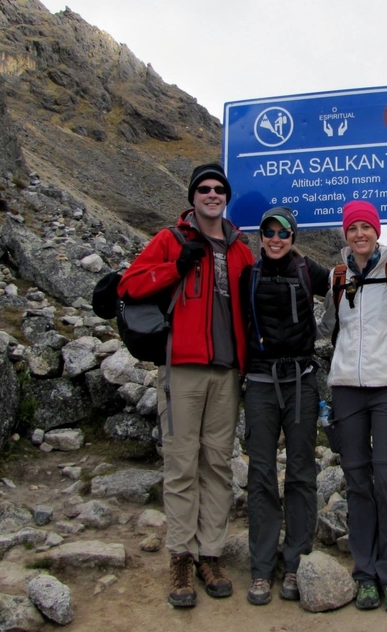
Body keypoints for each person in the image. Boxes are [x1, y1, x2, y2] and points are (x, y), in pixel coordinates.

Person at [118, 162, 253, 609]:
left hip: (227, 371)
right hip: (182, 368)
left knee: (217, 465)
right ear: (193, 196)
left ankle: (210, 554)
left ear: (225, 196)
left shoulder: (241, 249)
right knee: (181, 466)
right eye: (204, 189)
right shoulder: (170, 240)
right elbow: (130, 284)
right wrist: (176, 267)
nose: (212, 195)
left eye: (219, 189)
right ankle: (181, 556)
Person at [317, 200, 387, 613]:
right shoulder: (337, 277)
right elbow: (327, 325)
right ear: (345, 235)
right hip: (346, 387)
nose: (359, 234)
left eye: (366, 226)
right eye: (352, 228)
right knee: (358, 482)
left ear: (377, 231)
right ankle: (365, 574)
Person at [240, 206, 330, 605]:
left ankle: (295, 561)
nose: (276, 239)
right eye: (269, 232)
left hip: (301, 381)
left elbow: (352, 288)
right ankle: (261, 568)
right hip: (259, 381)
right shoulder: (248, 275)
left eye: (284, 233)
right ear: (260, 236)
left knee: (300, 471)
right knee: (260, 473)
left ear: (294, 237)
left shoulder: (309, 270)